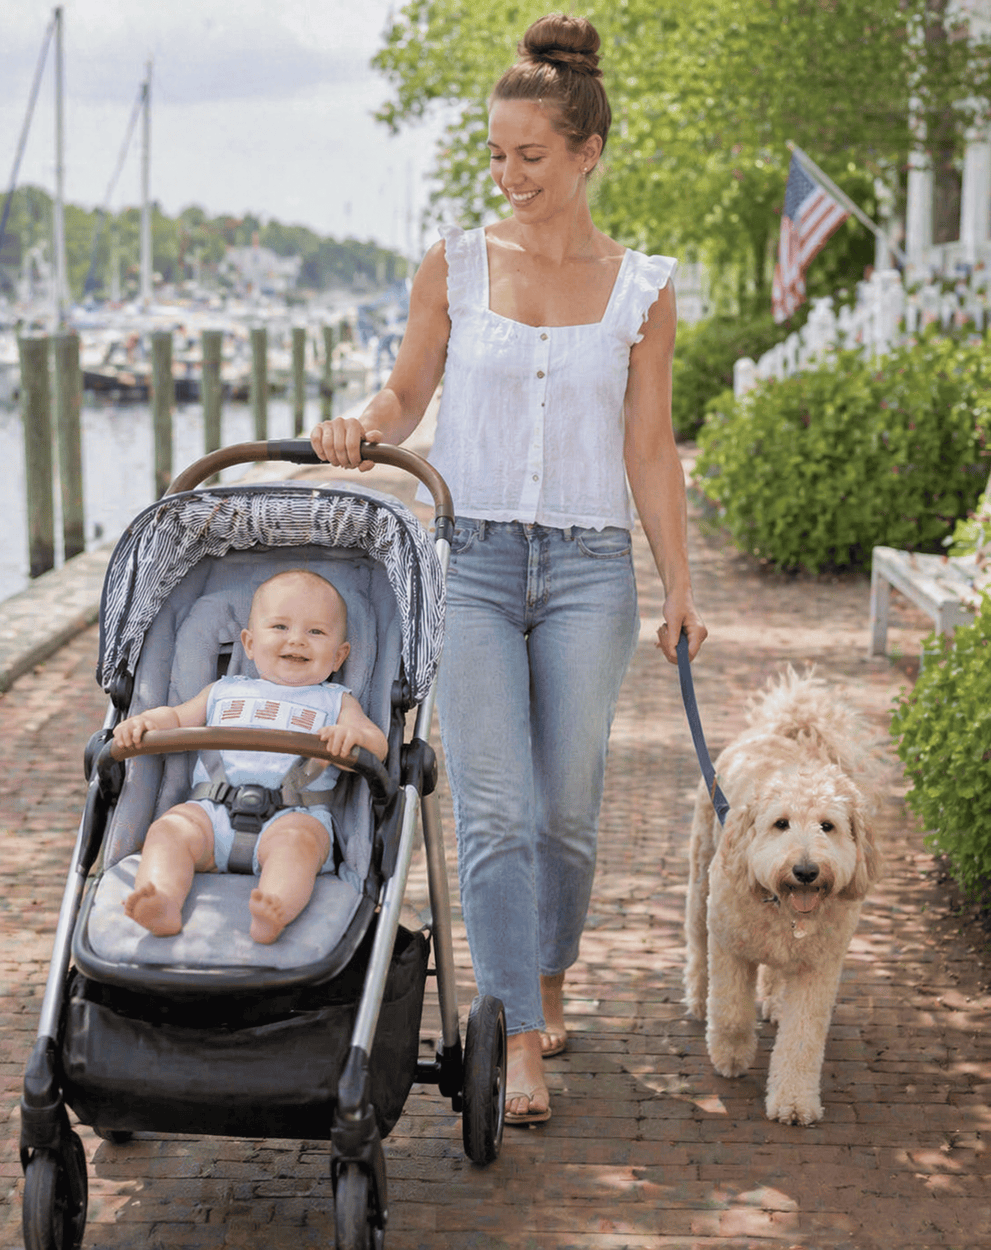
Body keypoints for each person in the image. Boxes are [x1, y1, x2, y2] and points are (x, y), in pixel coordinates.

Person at [311, 13, 707, 1124]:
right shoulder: (455, 262)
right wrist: (364, 423)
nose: (510, 174)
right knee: (492, 808)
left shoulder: (644, 288)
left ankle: (547, 966)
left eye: (531, 155)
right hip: (472, 560)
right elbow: (407, 393)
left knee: (566, 812)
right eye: (496, 154)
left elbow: (647, 448)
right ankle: (514, 1032)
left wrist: (681, 586)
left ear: (587, 153)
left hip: (589, 569)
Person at [115, 569, 388, 945]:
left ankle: (274, 908)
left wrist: (352, 737)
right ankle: (161, 898)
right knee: (168, 830)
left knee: (299, 846)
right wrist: (144, 722)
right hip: (210, 811)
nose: (296, 640)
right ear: (248, 643)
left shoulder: (336, 700)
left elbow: (377, 743)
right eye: (279, 626)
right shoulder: (223, 690)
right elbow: (176, 718)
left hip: (294, 814)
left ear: (340, 655)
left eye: (316, 632)